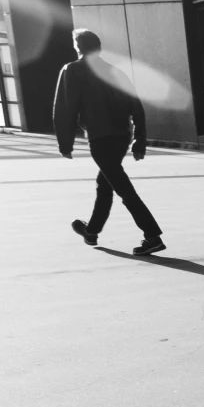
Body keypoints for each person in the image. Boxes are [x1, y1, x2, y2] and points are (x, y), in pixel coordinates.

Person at [53, 29, 165, 256]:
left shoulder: (72, 70)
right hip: (121, 137)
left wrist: (65, 143)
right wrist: (138, 141)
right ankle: (91, 231)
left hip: (100, 138)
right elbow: (137, 107)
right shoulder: (115, 72)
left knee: (122, 188)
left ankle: (152, 235)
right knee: (105, 185)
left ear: (78, 48)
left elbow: (64, 108)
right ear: (99, 47)